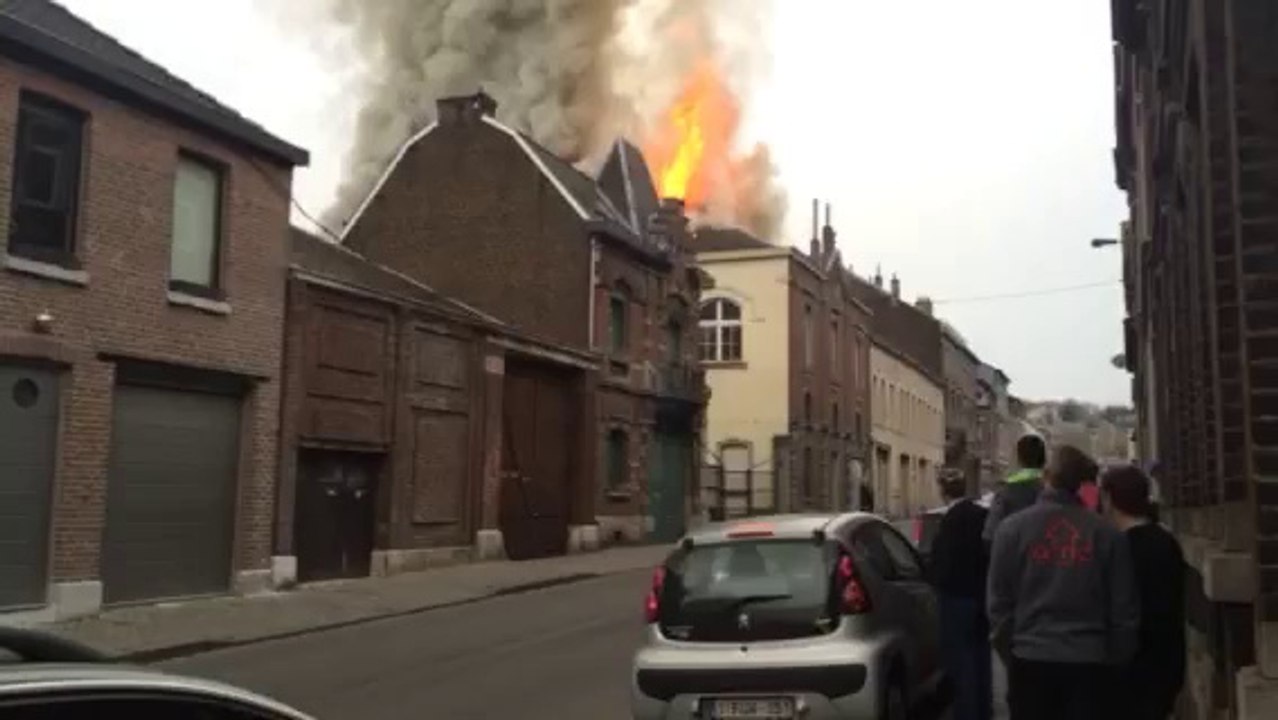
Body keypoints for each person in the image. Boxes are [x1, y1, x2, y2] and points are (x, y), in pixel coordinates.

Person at [987, 445, 1140, 720]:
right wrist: (1115, 659)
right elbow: (1123, 608)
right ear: (1082, 483)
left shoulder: (1011, 530)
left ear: (1047, 477)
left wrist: (1011, 650)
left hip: (1030, 659)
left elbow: (998, 603)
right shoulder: (1107, 534)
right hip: (1089, 663)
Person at [1101, 464, 1185, 719]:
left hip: (1129, 671)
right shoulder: (1166, 542)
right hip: (1165, 665)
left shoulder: (1117, 548)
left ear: (1109, 498)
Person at [929, 473, 992, 720]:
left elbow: (941, 563)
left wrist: (934, 581)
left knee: (960, 662)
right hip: (981, 597)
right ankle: (983, 710)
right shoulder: (981, 515)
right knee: (981, 659)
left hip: (956, 599)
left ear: (944, 492)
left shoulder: (949, 521)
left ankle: (967, 713)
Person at [982, 434, 1047, 545]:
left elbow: (990, 535)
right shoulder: (1053, 488)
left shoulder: (1007, 489)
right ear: (1044, 459)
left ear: (1019, 458)